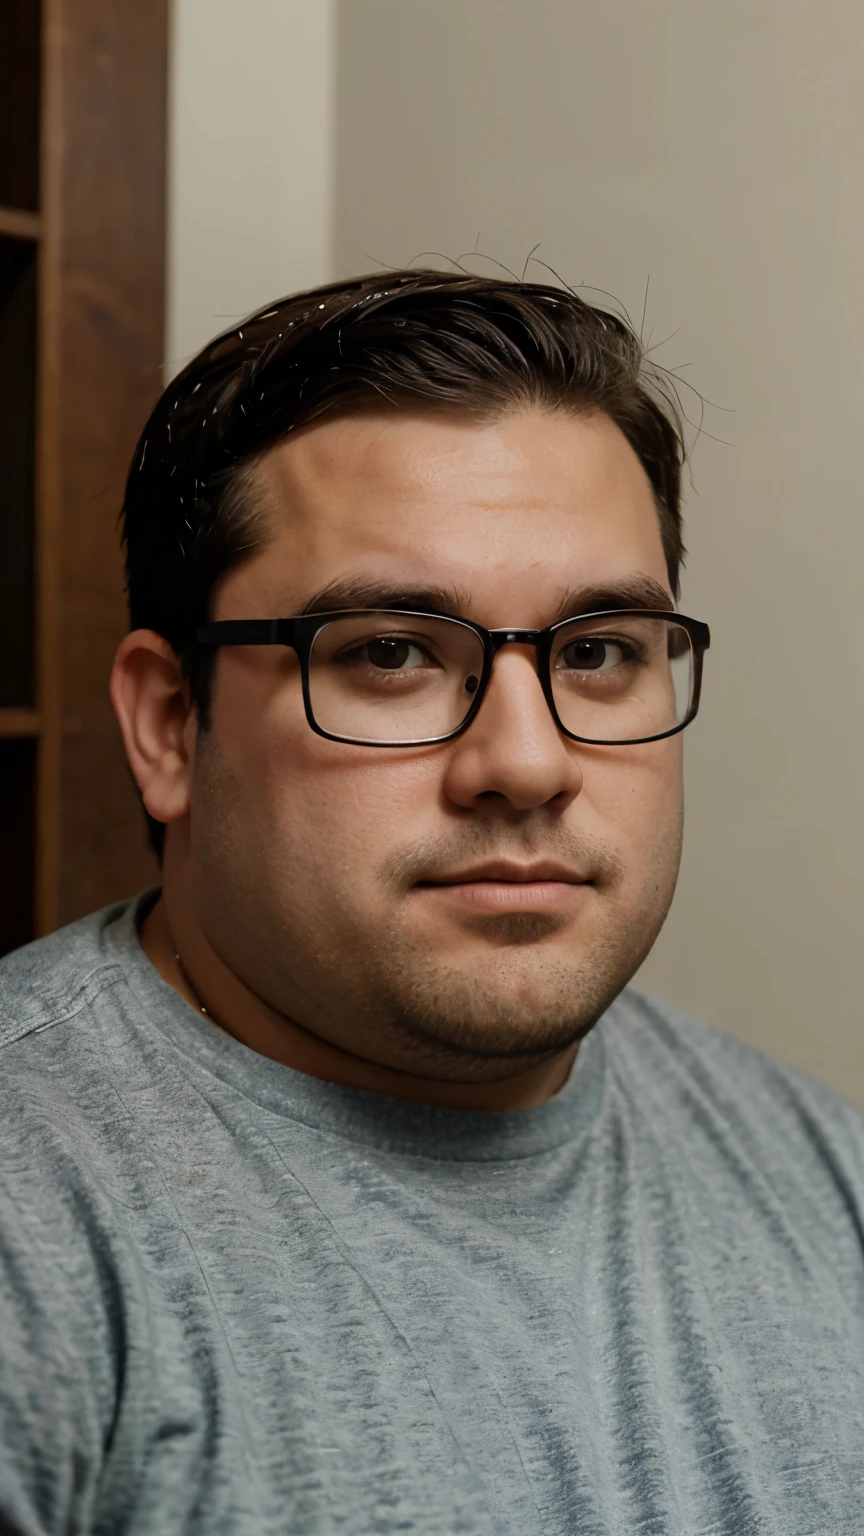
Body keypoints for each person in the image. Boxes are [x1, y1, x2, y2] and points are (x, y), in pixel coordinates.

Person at [1, 270, 861, 1536]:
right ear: (172, 725)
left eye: (598, 652)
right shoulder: (34, 1229)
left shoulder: (828, 1176)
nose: (526, 762)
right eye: (390, 653)